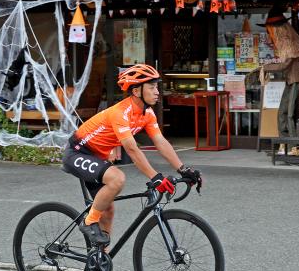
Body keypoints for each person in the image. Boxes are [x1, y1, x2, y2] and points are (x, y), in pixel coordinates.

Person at [62, 63, 201, 250]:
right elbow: (132, 149)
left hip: (98, 157)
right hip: (78, 152)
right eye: (152, 87)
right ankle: (88, 222)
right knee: (117, 179)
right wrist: (155, 177)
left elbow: (160, 142)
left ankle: (100, 258)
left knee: (107, 209)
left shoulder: (147, 113)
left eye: (156, 87)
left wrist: (183, 169)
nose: (157, 92)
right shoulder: (120, 113)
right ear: (136, 91)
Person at [257, 6, 299, 156]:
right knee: (281, 114)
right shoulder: (284, 42)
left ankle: (294, 147)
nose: (269, 32)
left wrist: (266, 67)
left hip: (295, 80)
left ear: (277, 28)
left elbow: (285, 65)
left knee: (289, 115)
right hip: (289, 81)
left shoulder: (288, 41)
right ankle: (284, 145)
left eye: (270, 29)